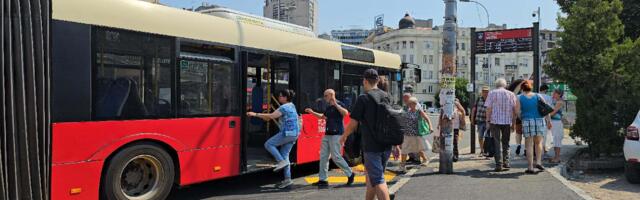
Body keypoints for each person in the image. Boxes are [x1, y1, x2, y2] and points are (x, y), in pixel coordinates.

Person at [340, 69, 392, 200]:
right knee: (372, 178)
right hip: (386, 145)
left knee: (378, 179)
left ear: (365, 81)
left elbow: (353, 124)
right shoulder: (387, 96)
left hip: (371, 146)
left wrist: (344, 136)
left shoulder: (363, 98)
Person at [247, 89, 300, 189]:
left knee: (269, 144)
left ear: (285, 97)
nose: (279, 98)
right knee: (285, 156)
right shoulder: (292, 105)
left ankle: (280, 161)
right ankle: (288, 179)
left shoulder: (284, 107)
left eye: (280, 96)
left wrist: (255, 114)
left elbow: (271, 116)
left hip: (287, 133)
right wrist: (264, 117)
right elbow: (270, 117)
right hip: (294, 134)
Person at [305, 89, 355, 187]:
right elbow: (323, 117)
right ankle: (323, 179)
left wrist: (335, 103)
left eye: (326, 96)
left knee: (336, 156)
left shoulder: (339, 104)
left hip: (337, 134)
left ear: (332, 95)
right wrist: (312, 112)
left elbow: (345, 113)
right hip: (327, 134)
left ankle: (350, 173)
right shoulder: (328, 107)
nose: (324, 98)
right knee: (323, 157)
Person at [515, 81, 551, 174]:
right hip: (539, 121)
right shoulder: (538, 96)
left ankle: (530, 167)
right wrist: (549, 121)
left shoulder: (519, 97)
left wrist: (522, 117)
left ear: (522, 88)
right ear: (531, 87)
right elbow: (546, 109)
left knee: (529, 145)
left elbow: (517, 111)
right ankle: (538, 162)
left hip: (527, 121)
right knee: (538, 143)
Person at [484, 78, 517, 172]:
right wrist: (514, 123)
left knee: (496, 142)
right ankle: (506, 162)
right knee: (506, 142)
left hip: (495, 121)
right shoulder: (511, 94)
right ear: (505, 85)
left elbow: (489, 109)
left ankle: (498, 164)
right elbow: (515, 110)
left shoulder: (492, 93)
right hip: (507, 122)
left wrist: (487, 121)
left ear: (496, 85)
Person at [399, 97, 434, 172]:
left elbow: (427, 118)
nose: (409, 105)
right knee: (404, 149)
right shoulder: (406, 111)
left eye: (410, 103)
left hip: (416, 134)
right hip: (407, 134)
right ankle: (402, 166)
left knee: (418, 149)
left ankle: (425, 159)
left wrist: (430, 127)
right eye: (408, 103)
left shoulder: (419, 111)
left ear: (414, 104)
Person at [471, 86, 490, 156]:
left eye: (487, 91)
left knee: (487, 137)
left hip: (487, 121)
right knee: (480, 136)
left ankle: (486, 151)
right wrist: (472, 119)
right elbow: (474, 109)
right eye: (484, 91)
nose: (485, 93)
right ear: (481, 92)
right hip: (479, 120)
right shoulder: (479, 99)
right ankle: (482, 150)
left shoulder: (490, 99)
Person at [549, 89, 565, 163]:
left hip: (557, 122)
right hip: (554, 122)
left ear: (559, 94)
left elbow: (553, 112)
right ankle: (556, 157)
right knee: (555, 140)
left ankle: (557, 157)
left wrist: (544, 116)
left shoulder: (559, 102)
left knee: (557, 140)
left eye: (555, 93)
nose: (553, 94)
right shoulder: (555, 101)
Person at [539, 84, 553, 157]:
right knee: (545, 136)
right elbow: (548, 110)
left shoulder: (535, 96)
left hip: (536, 118)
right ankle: (544, 152)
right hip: (544, 119)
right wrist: (549, 121)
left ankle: (537, 152)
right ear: (545, 90)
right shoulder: (548, 97)